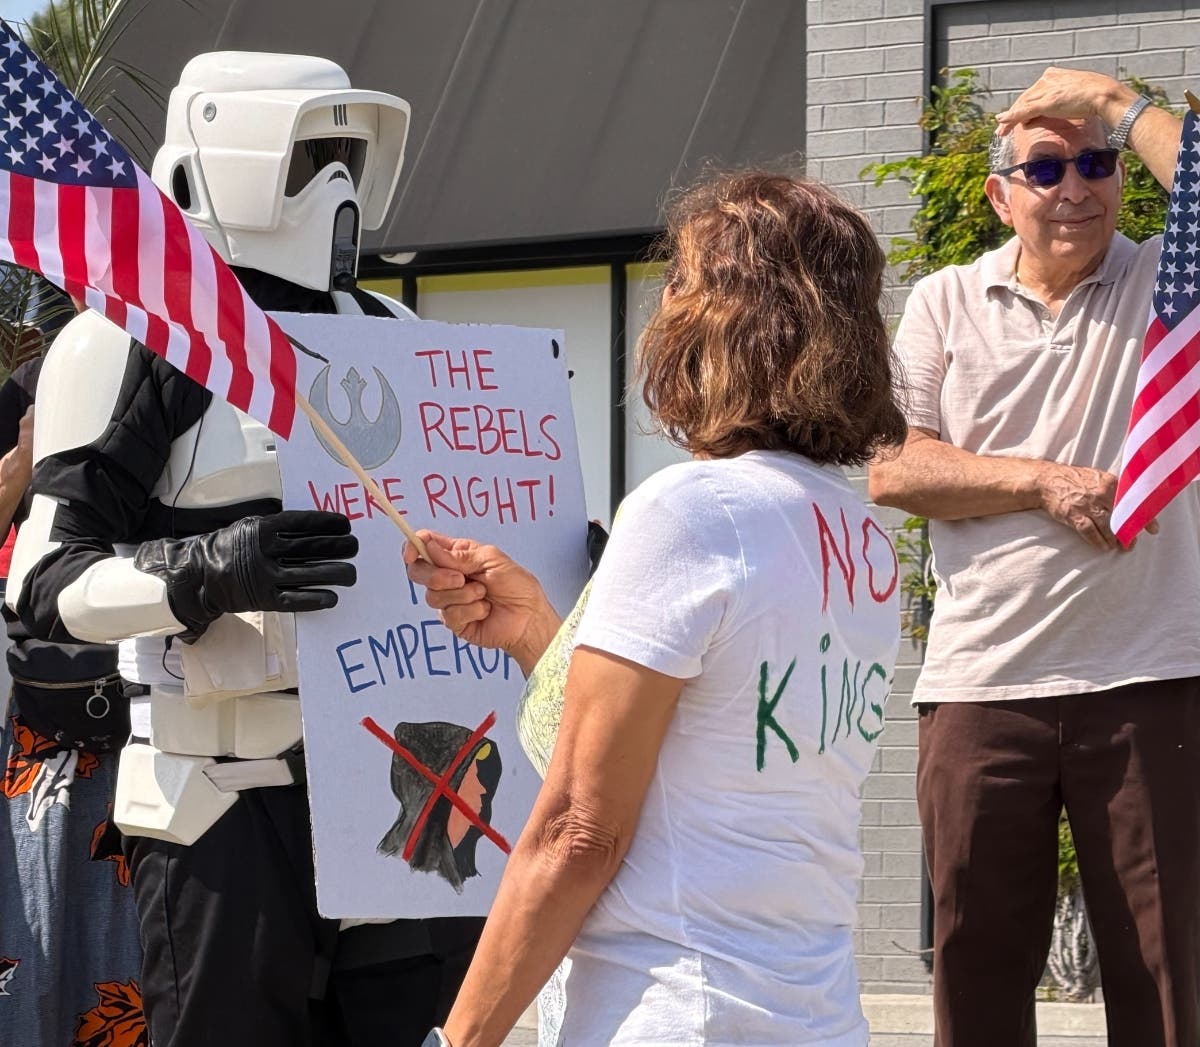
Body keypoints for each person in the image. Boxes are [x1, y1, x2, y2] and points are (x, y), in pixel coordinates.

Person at [7, 51, 483, 1047]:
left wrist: (554, 550)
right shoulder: (135, 341)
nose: (340, 180)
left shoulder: (388, 327)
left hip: (405, 780)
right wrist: (210, 571)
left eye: (351, 152)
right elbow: (45, 581)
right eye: (315, 150)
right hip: (224, 793)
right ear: (227, 154)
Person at [405, 171, 907, 1046]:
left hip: (674, 1008)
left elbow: (577, 829)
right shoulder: (860, 536)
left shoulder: (690, 511)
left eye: (680, 279)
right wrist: (536, 635)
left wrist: (458, 1040)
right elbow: (713, 750)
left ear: (730, 318)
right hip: (817, 1015)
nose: (660, 305)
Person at [868, 67, 1200, 1047]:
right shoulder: (942, 302)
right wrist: (1045, 480)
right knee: (975, 979)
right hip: (981, 686)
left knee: (1167, 981)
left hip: (1148, 677)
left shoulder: (1160, 285)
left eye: (1096, 162)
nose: (1077, 186)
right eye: (1046, 166)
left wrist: (1115, 101)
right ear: (998, 194)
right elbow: (893, 467)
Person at [0, 351, 144, 1047]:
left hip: (157, 725)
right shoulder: (37, 381)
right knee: (32, 959)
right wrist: (24, 464)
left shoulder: (192, 368)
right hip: (36, 743)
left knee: (138, 964)